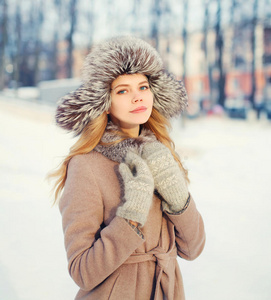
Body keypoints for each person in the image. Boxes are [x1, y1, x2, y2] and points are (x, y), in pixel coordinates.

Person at [51, 36, 205, 300]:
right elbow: (82, 272)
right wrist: (130, 216)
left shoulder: (162, 154)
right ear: (105, 103)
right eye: (123, 90)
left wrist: (178, 197)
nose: (137, 98)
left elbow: (193, 249)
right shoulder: (85, 165)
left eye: (143, 87)